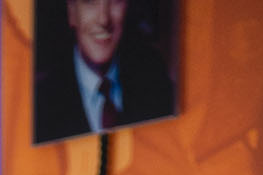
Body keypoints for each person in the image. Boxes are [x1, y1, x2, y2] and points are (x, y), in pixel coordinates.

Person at [34, 0, 175, 143]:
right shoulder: (41, 104)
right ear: (72, 13)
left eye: (115, 1)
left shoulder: (155, 82)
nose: (104, 19)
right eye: (90, 2)